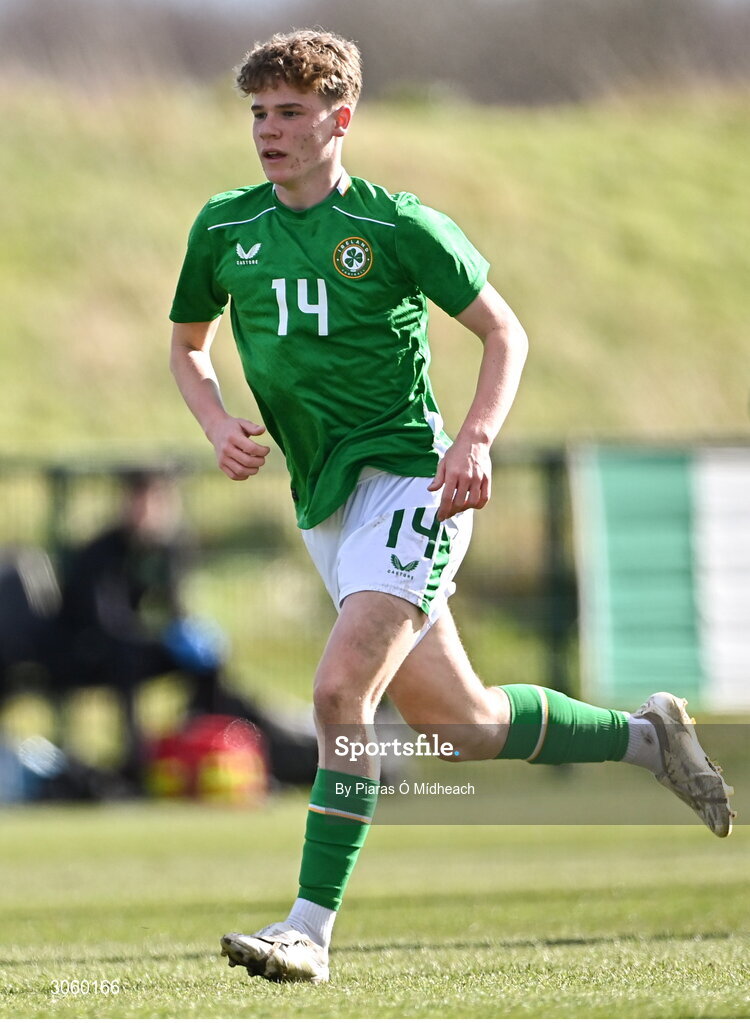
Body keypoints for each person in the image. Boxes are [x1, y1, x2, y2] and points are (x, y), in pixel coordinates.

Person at [169, 29, 735, 985]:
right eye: (260, 113)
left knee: (339, 691)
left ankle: (308, 927)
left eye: (291, 113)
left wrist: (473, 438)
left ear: (338, 120)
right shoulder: (225, 228)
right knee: (462, 727)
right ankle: (651, 739)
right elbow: (187, 343)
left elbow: (504, 333)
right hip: (326, 506)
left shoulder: (397, 226)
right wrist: (215, 416)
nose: (270, 130)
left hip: (414, 480)